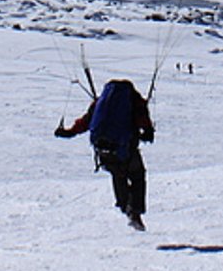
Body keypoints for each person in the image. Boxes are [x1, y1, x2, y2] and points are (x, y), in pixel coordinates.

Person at [56, 78, 155, 229]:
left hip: (103, 148)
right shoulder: (133, 99)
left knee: (118, 173)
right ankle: (134, 211)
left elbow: (86, 121)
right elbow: (142, 118)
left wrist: (69, 132)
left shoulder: (101, 102)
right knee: (137, 174)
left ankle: (125, 206)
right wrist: (148, 132)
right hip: (125, 148)